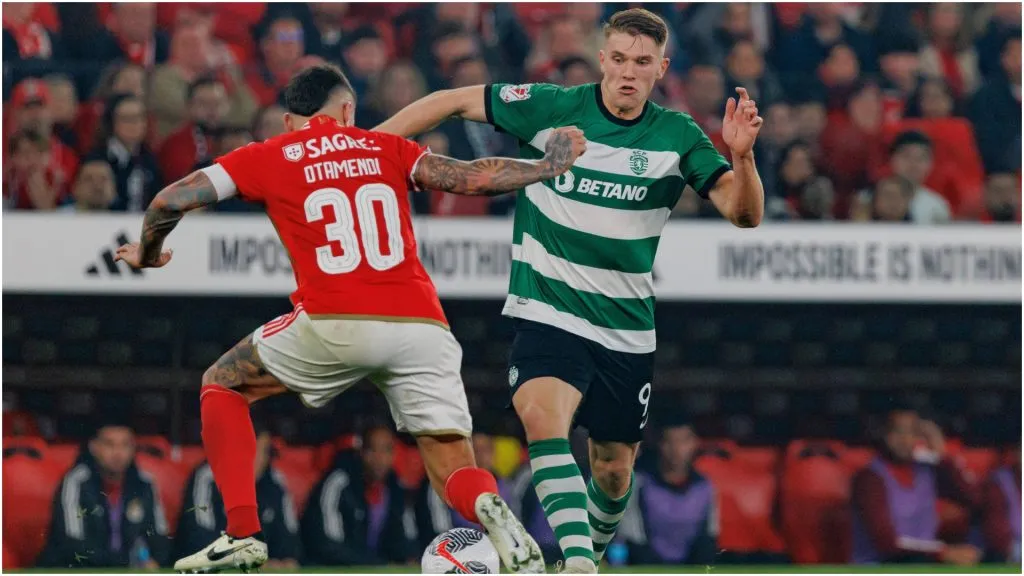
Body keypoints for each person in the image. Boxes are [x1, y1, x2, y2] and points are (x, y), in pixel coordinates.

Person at [113, 63, 584, 574]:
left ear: (290, 121)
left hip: (336, 318)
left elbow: (171, 198)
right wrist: (544, 167)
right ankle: (493, 511)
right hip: (423, 327)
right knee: (452, 466)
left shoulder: (271, 154)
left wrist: (148, 249)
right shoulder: (385, 147)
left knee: (222, 384)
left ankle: (242, 533)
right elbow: (470, 178)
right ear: (347, 111)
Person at [375, 8, 764, 573]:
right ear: (603, 58)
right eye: (621, 59)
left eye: (643, 63)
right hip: (547, 307)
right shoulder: (555, 108)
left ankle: (588, 556)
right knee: (542, 417)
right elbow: (455, 99)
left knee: (612, 471)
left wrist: (744, 156)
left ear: (662, 68)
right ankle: (578, 565)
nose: (629, 72)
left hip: (626, 328)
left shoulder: (678, 135)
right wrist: (364, 148)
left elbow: (744, 214)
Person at [850, 405, 980, 565]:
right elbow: (886, 542)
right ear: (883, 434)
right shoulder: (869, 479)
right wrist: (943, 553)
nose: (905, 440)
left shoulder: (927, 471)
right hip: (882, 565)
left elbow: (975, 499)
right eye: (898, 432)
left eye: (912, 432)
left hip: (923, 562)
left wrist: (942, 453)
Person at [36, 422, 169, 568]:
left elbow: (160, 538)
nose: (118, 453)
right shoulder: (76, 481)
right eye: (109, 444)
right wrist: (122, 565)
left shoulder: (145, 483)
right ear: (94, 447)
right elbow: (72, 543)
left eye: (125, 445)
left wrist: (155, 562)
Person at [174, 424, 300, 570]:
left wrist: (286, 560)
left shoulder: (274, 481)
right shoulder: (208, 477)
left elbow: (289, 540)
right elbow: (199, 539)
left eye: (264, 451)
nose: (260, 458)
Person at [303, 425, 415, 566]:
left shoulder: (395, 487)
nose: (379, 458)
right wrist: (376, 564)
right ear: (361, 452)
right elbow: (329, 544)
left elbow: (406, 539)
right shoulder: (338, 483)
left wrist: (408, 557)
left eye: (386, 450)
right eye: (372, 450)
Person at [616, 420, 717, 565]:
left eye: (683, 441)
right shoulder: (638, 483)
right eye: (669, 442)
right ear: (659, 444)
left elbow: (708, 538)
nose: (676, 449)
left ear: (695, 443)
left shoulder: (704, 486)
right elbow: (633, 539)